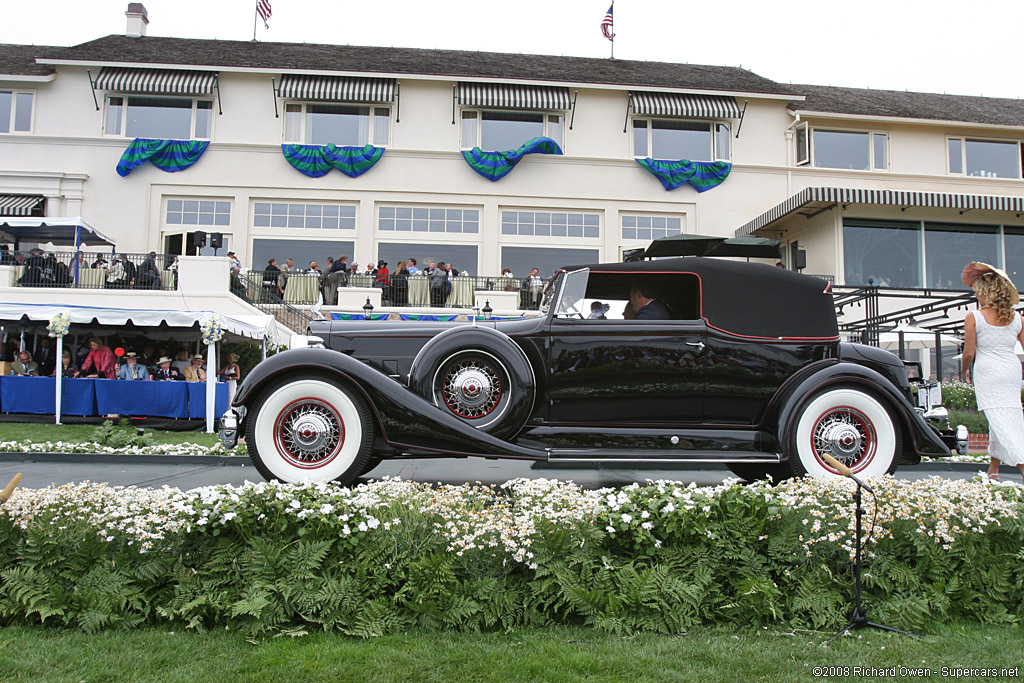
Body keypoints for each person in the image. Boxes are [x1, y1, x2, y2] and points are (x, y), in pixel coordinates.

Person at [960, 262, 1024, 482]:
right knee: (1003, 418)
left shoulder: (974, 317)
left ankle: (1023, 466)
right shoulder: (1017, 318)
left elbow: (968, 353)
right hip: (1011, 371)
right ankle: (993, 470)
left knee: (1002, 421)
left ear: (985, 293)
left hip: (988, 372)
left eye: (977, 291)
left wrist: (964, 371)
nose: (976, 295)